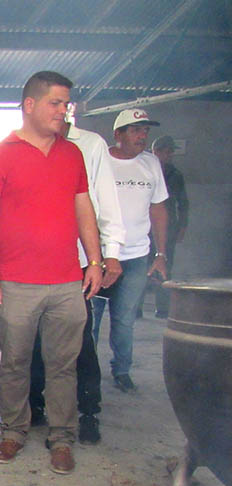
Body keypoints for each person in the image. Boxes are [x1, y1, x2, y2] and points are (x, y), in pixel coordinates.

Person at [0, 71, 103, 475]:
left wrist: (95, 261)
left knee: (64, 363)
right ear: (29, 104)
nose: (64, 112)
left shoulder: (72, 154)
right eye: (56, 103)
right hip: (15, 282)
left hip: (66, 280)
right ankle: (14, 432)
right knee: (15, 361)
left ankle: (61, 438)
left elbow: (84, 209)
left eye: (67, 105)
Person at [28, 120, 126, 444]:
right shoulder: (23, 144)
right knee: (34, 343)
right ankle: (36, 405)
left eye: (59, 104)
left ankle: (88, 412)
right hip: (33, 265)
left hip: (77, 264)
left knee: (79, 344)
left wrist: (108, 254)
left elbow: (106, 202)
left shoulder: (91, 145)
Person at [92, 109, 168, 393]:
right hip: (99, 258)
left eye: (145, 131)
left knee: (124, 319)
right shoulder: (100, 162)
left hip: (136, 257)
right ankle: (86, 373)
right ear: (118, 134)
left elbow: (158, 208)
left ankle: (122, 370)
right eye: (135, 130)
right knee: (91, 320)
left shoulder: (151, 164)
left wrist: (160, 254)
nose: (142, 136)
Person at [152, 135, 189, 318]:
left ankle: (163, 308)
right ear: (156, 151)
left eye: (171, 152)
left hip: (169, 227)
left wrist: (182, 226)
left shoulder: (175, 174)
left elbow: (183, 203)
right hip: (146, 225)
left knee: (166, 265)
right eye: (167, 151)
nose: (169, 155)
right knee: (142, 265)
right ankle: (136, 308)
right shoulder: (146, 169)